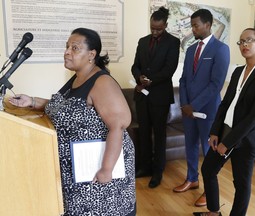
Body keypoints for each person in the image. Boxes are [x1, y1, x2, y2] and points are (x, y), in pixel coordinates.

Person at [9, 28, 136, 215]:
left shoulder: (101, 82)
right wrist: (33, 101)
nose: (67, 51)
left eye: (75, 48)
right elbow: (65, 108)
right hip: (76, 170)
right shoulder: (77, 77)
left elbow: (119, 124)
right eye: (67, 46)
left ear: (91, 54)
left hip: (96, 168)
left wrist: (106, 169)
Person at [193, 28, 255, 216]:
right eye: (241, 42)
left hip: (246, 140)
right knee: (208, 169)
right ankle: (214, 212)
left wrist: (227, 143)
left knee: (241, 183)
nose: (245, 45)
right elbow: (224, 104)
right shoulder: (238, 71)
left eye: (249, 40)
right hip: (225, 131)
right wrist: (215, 131)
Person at [173, 8, 230, 207]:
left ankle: (209, 189)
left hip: (208, 111)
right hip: (188, 110)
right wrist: (185, 105)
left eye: (196, 25)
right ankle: (192, 178)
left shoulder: (221, 49)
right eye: (192, 25)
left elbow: (216, 84)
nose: (193, 29)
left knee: (208, 150)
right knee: (190, 146)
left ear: (208, 24)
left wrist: (194, 105)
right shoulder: (190, 50)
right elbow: (184, 79)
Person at [131, 6, 180, 188]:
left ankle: (158, 171)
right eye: (152, 28)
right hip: (142, 97)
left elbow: (169, 69)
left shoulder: (173, 42)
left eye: (158, 29)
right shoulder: (143, 41)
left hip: (160, 96)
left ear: (165, 25)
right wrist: (139, 77)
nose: (155, 32)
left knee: (159, 135)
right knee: (144, 133)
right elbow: (135, 65)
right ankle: (145, 167)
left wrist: (151, 80)